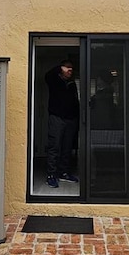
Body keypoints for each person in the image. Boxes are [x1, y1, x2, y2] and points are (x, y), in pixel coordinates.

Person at [45, 59, 79, 188]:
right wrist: (60, 67)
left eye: (71, 69)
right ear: (61, 69)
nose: (70, 70)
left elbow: (75, 100)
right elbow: (48, 75)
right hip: (57, 118)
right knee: (54, 146)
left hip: (71, 119)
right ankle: (51, 175)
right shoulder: (53, 80)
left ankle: (63, 173)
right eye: (67, 68)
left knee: (67, 148)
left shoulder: (72, 83)